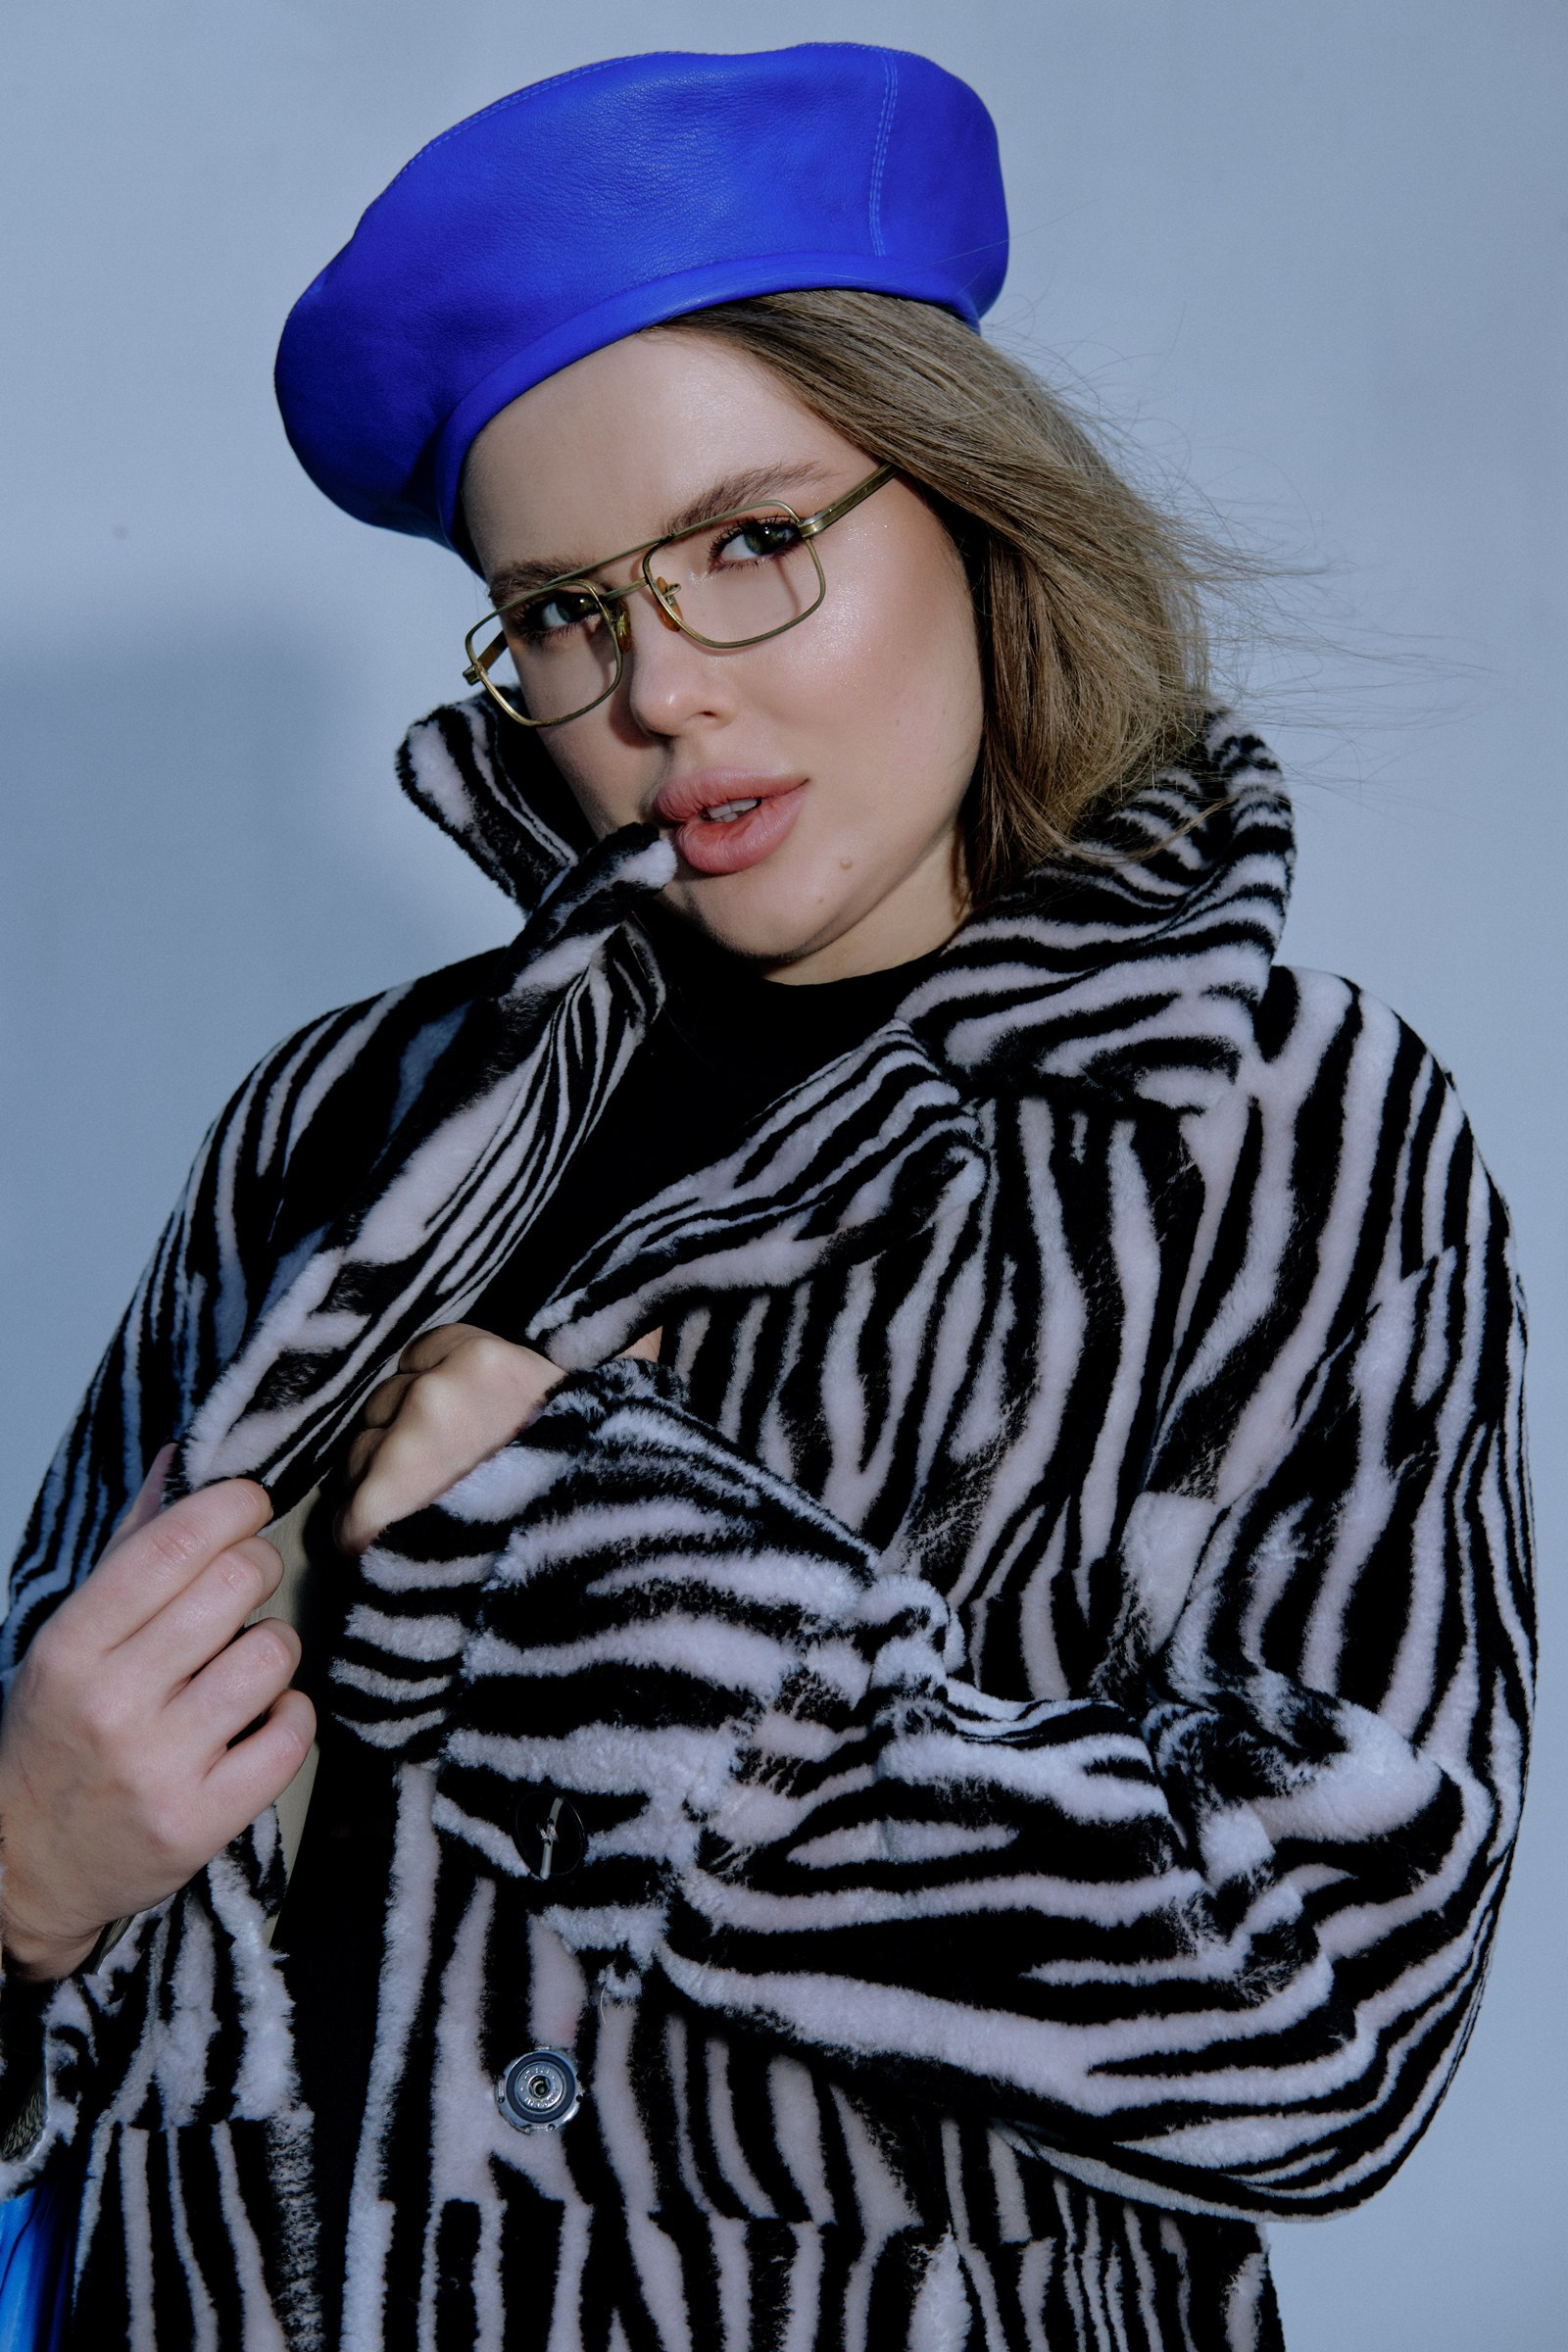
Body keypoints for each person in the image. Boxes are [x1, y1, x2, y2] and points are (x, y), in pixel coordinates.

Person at [0, 42, 1533, 2352]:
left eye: (747, 544)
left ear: (976, 516)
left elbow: (1322, 2024)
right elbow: (98, 1789)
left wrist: (573, 1582)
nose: (657, 693)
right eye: (559, 610)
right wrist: (19, 1882)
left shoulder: (1279, 1130)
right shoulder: (341, 1115)